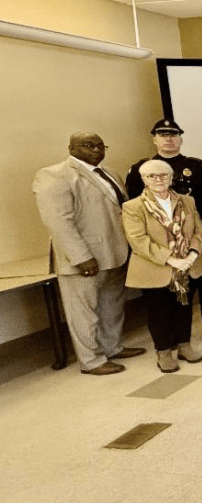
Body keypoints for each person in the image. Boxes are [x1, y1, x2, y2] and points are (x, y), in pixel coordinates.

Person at [33, 133, 145, 375]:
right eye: (87, 145)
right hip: (83, 258)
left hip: (115, 253)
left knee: (112, 306)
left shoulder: (110, 174)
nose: (95, 149)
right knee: (83, 312)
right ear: (71, 147)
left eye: (99, 145)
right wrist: (81, 257)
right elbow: (58, 222)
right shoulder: (55, 175)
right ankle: (91, 361)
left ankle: (112, 347)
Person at [125, 119, 202, 342]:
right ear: (154, 139)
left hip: (193, 235)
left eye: (173, 134)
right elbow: (133, 200)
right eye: (163, 134)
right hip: (158, 241)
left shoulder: (196, 165)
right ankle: (168, 339)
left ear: (180, 138)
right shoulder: (141, 168)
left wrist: (199, 229)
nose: (168, 138)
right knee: (163, 290)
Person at [122, 160, 202, 371]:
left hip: (188, 264)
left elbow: (200, 230)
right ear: (144, 180)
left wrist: (193, 254)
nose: (158, 179)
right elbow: (138, 240)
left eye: (163, 175)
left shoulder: (187, 201)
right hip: (156, 267)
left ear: (171, 178)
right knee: (159, 312)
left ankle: (184, 345)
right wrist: (172, 259)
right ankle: (163, 352)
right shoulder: (133, 207)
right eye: (152, 176)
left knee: (184, 307)